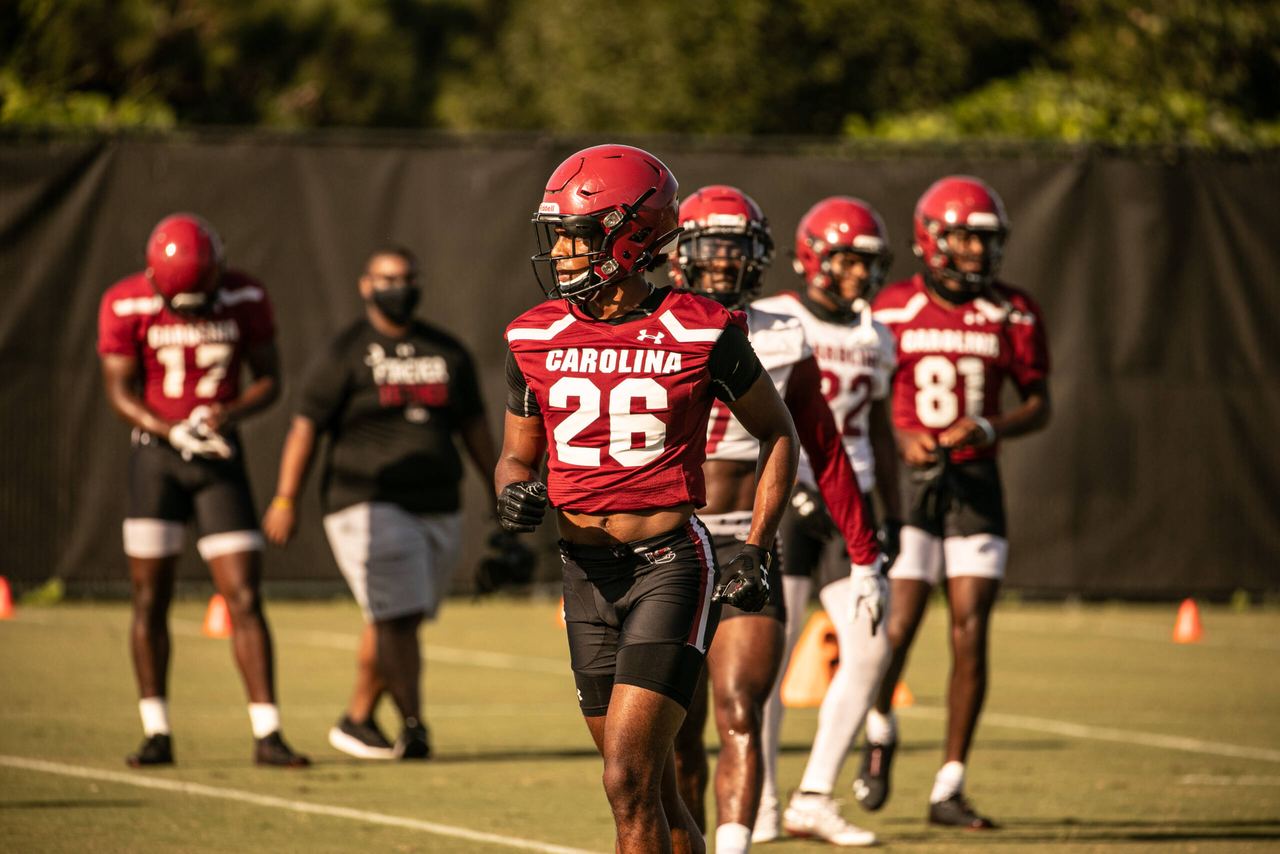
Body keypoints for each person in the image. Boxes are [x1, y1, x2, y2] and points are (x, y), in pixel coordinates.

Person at [497, 145, 799, 854]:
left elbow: (777, 433)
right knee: (653, 792)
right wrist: (514, 489)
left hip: (667, 566)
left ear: (630, 235)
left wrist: (757, 543)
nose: (563, 251)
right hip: (583, 574)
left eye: (579, 233)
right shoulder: (532, 334)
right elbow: (517, 453)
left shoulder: (702, 327)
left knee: (626, 779)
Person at [666, 187, 883, 853]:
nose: (726, 263)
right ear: (680, 255)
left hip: (746, 544)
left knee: (740, 710)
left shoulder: (783, 336)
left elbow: (826, 450)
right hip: (668, 546)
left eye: (738, 249)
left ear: (759, 257)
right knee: (678, 739)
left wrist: (867, 555)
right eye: (712, 247)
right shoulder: (653, 329)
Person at [859, 176, 1051, 828]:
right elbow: (868, 397)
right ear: (931, 239)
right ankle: (879, 725)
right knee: (902, 623)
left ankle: (950, 783)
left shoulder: (1013, 311)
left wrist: (992, 427)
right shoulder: (890, 309)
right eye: (965, 236)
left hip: (976, 482)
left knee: (971, 630)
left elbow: (1038, 403)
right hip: (911, 484)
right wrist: (902, 437)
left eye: (985, 239)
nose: (976, 250)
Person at [261, 245, 498, 760]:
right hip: (367, 502)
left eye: (408, 277)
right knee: (397, 615)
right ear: (365, 285)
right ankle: (413, 725)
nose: (399, 287)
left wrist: (499, 486)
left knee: (399, 618)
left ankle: (357, 719)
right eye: (387, 278)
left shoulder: (447, 350)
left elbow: (474, 425)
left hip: (439, 504)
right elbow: (306, 428)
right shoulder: (344, 351)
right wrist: (285, 498)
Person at [97, 213, 308, 768]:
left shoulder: (245, 294)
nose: (192, 312)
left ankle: (268, 732)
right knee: (150, 599)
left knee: (243, 595)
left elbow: (270, 379)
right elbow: (118, 391)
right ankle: (156, 730)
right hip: (156, 458)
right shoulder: (124, 302)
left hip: (218, 457)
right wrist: (170, 430)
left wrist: (222, 417)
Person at [744, 197, 903, 845]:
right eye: (847, 260)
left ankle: (813, 794)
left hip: (850, 504)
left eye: (868, 262)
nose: (860, 274)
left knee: (870, 646)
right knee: (769, 661)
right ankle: (762, 798)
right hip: (786, 500)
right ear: (813, 258)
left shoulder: (877, 334)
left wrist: (888, 514)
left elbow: (879, 434)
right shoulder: (778, 320)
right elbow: (751, 417)